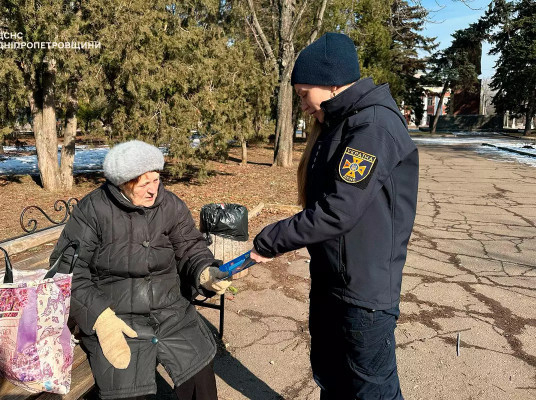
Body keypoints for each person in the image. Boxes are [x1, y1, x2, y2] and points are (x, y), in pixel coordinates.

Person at [250, 33, 419, 399]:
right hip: (332, 282)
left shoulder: (372, 128)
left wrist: (270, 239)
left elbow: (336, 211)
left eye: (303, 94)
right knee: (333, 380)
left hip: (363, 293)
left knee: (372, 391)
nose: (304, 106)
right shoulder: (340, 124)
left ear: (331, 82)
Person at [49, 140, 231, 400]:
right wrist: (101, 318)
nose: (153, 190)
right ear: (123, 182)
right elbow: (66, 270)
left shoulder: (170, 204)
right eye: (144, 184)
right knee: (129, 389)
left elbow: (190, 246)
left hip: (172, 312)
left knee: (199, 376)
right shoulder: (93, 209)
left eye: (156, 180)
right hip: (117, 316)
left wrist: (204, 271)